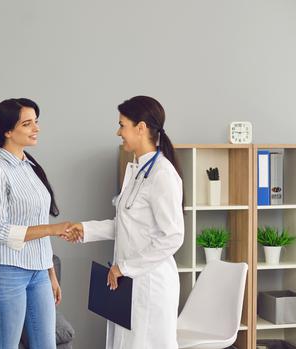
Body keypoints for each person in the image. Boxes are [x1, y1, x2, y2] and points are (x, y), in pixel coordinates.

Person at [65, 96, 184, 349]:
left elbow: (173, 236)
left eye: (122, 125)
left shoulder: (163, 174)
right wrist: (85, 229)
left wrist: (125, 267)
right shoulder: (138, 169)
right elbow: (126, 224)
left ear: (141, 128)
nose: (118, 131)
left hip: (150, 283)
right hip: (130, 281)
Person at [0, 98, 69, 349]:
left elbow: (38, 220)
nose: (36, 128)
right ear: (8, 131)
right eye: (27, 124)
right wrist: (53, 229)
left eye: (36, 122)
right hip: (7, 272)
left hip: (39, 272)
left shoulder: (31, 168)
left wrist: (50, 272)